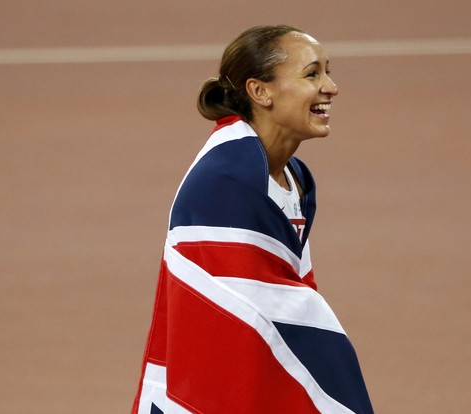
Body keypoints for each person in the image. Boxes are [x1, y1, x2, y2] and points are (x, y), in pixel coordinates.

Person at [132, 25, 373, 413]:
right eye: (312, 74)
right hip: (214, 382)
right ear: (260, 92)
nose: (331, 87)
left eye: (328, 71)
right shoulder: (231, 178)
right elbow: (253, 315)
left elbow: (287, 295)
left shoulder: (292, 175)